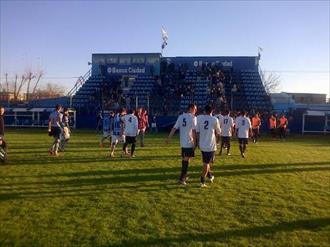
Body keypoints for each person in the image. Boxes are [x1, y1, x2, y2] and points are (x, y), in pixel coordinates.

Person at [166, 104, 197, 185]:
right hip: (189, 142)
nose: (195, 111)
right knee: (186, 160)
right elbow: (193, 131)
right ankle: (182, 179)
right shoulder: (193, 118)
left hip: (183, 142)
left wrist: (169, 138)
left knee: (186, 159)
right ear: (190, 109)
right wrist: (194, 142)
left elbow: (174, 128)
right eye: (195, 109)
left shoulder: (180, 116)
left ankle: (184, 176)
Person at [196, 105, 221, 188]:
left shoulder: (200, 119)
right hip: (210, 145)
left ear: (205, 110)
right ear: (212, 111)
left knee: (207, 162)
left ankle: (210, 176)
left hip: (202, 144)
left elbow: (198, 132)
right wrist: (218, 140)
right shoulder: (214, 119)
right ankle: (202, 180)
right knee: (207, 163)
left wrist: (198, 142)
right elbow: (218, 132)